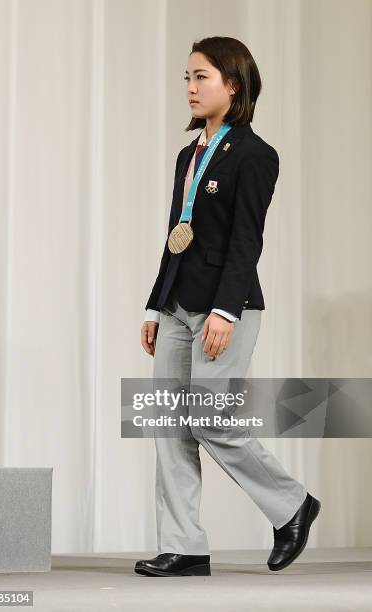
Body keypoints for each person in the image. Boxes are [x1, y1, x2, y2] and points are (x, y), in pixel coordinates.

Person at [136, 36, 320, 577]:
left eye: (202, 77)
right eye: (187, 78)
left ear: (232, 84)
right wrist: (153, 306)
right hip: (175, 303)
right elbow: (177, 234)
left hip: (225, 306)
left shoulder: (256, 155)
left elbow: (246, 241)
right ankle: (185, 547)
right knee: (168, 425)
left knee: (210, 419)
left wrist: (227, 310)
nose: (190, 88)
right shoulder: (187, 156)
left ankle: (292, 505)